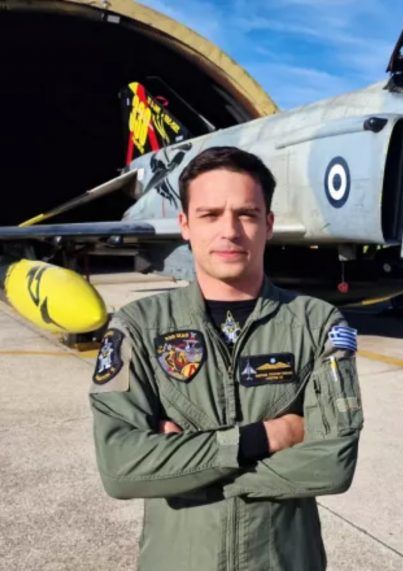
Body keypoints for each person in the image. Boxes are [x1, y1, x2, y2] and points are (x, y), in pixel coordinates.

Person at [89, 146, 362, 570]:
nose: (230, 231)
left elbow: (331, 464)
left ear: (268, 224)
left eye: (247, 214)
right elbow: (122, 469)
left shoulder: (316, 323)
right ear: (185, 225)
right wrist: (265, 437)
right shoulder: (138, 327)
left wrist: (183, 467)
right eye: (210, 214)